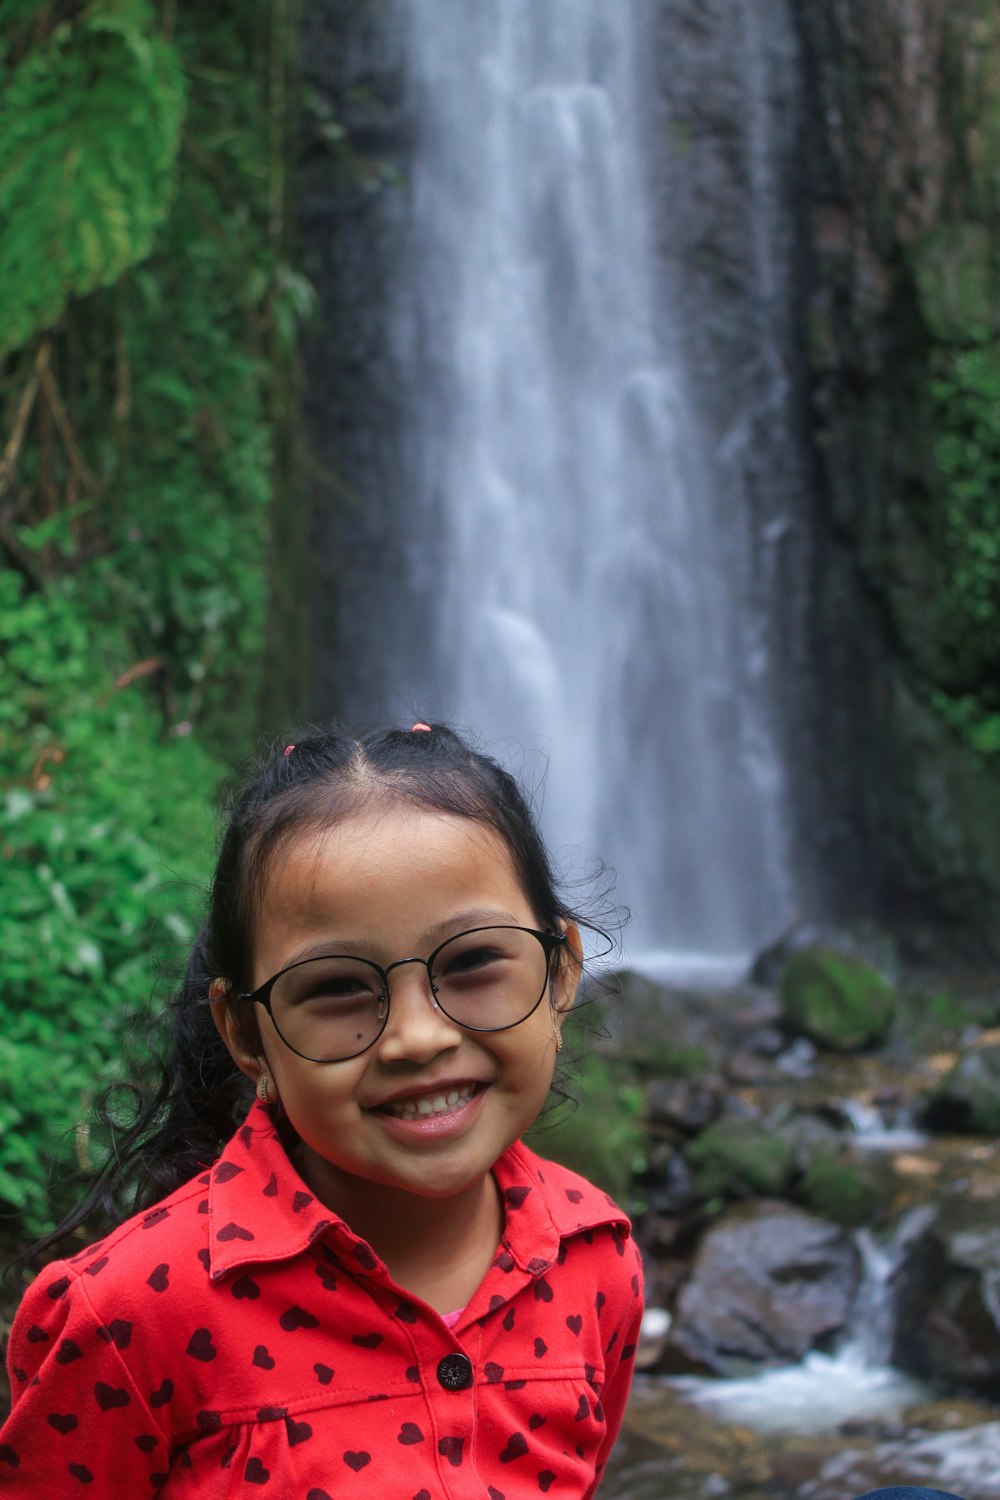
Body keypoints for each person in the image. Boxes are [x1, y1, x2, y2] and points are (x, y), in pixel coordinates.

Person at [1, 723, 646, 1498]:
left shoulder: (596, 1258)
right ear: (245, 1032)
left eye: (474, 962)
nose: (417, 1038)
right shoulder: (127, 1316)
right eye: (339, 987)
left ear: (562, 973)